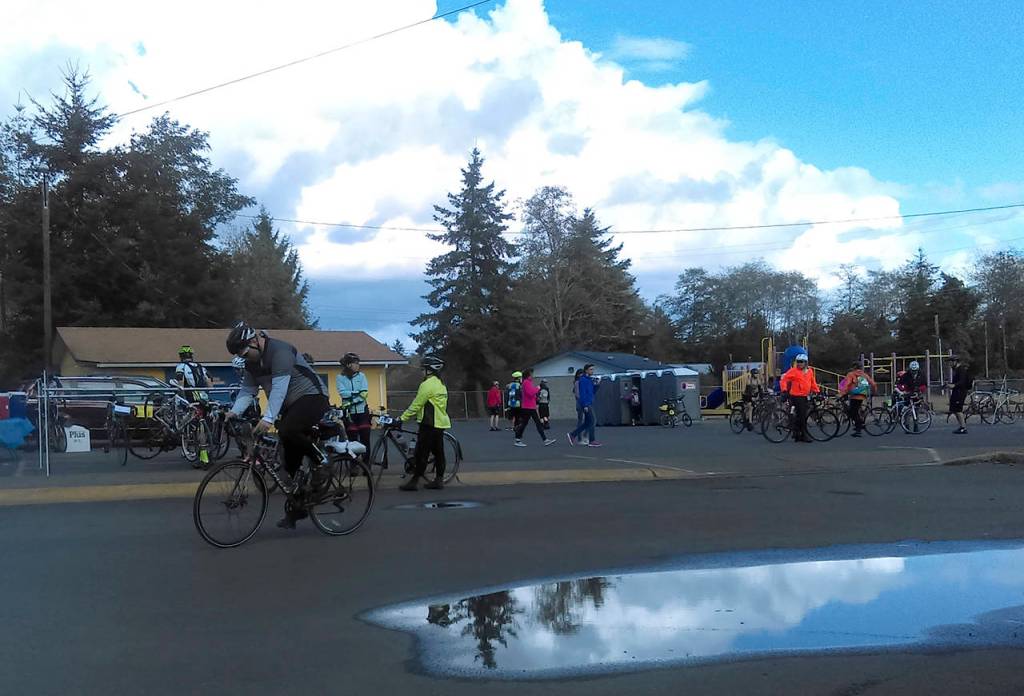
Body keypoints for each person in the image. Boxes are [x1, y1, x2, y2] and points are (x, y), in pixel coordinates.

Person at [224, 321, 330, 529]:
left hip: (312, 396)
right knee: (288, 467)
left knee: (288, 429)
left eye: (244, 353)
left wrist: (268, 418)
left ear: (254, 341)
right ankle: (297, 509)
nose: (243, 358)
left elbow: (279, 390)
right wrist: (234, 412)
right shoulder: (251, 364)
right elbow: (248, 391)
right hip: (290, 404)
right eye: (240, 356)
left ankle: (321, 461)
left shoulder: (279, 351)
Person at [398, 355, 450, 491]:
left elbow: (416, 405)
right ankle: (439, 480)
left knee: (422, 453)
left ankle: (414, 482)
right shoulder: (441, 384)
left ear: (429, 370)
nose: (421, 371)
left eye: (423, 369)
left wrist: (401, 418)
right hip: (440, 423)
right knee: (439, 452)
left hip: (429, 423)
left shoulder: (427, 385)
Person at [174, 345, 212, 467]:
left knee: (196, 427)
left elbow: (180, 385)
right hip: (204, 398)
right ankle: (206, 453)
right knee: (204, 426)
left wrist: (181, 395)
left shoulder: (180, 367)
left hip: (191, 398)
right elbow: (210, 384)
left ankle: (203, 458)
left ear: (181, 357)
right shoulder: (201, 367)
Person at [337, 352, 371, 460]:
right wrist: (356, 392)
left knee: (365, 440)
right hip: (349, 414)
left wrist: (351, 400)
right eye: (355, 363)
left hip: (363, 413)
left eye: (358, 363)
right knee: (352, 441)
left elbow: (364, 394)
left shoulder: (362, 376)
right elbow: (342, 393)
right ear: (348, 365)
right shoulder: (340, 377)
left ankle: (366, 465)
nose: (358, 365)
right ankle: (353, 465)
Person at [780, 354, 819, 443]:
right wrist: (784, 390)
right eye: (798, 362)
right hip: (796, 396)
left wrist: (817, 391)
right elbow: (784, 380)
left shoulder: (809, 371)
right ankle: (804, 435)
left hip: (805, 396)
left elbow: (812, 382)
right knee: (802, 417)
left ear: (805, 363)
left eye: (801, 362)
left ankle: (796, 433)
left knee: (800, 416)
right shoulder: (793, 371)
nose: (799, 364)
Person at [514, 369, 556, 447]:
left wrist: (536, 396)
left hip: (530, 406)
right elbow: (531, 393)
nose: (532, 375)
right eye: (531, 374)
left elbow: (532, 393)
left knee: (528, 423)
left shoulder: (528, 382)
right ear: (528, 375)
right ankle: (544, 439)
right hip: (528, 407)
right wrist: (538, 387)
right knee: (534, 423)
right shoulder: (526, 383)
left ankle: (518, 438)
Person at [839, 361, 877, 437]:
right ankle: (858, 425)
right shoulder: (864, 375)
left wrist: (842, 394)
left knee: (852, 412)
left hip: (854, 396)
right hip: (862, 395)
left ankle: (859, 428)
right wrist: (874, 392)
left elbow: (847, 384)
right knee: (855, 411)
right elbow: (873, 384)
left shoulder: (851, 374)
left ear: (854, 367)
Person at [568, 364, 601, 447]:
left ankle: (573, 434)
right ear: (586, 370)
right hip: (586, 403)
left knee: (587, 422)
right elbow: (582, 393)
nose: (592, 371)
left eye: (593, 369)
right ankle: (592, 440)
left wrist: (597, 385)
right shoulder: (582, 380)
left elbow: (592, 392)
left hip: (589, 402)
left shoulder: (589, 380)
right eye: (591, 369)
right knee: (593, 420)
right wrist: (585, 405)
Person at [946, 354, 971, 434]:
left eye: (950, 362)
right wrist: (949, 384)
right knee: (955, 409)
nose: (949, 364)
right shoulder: (956, 370)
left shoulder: (961, 370)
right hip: (956, 391)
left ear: (955, 362)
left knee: (958, 409)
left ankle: (963, 427)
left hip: (960, 392)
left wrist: (954, 385)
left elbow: (962, 382)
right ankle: (961, 426)